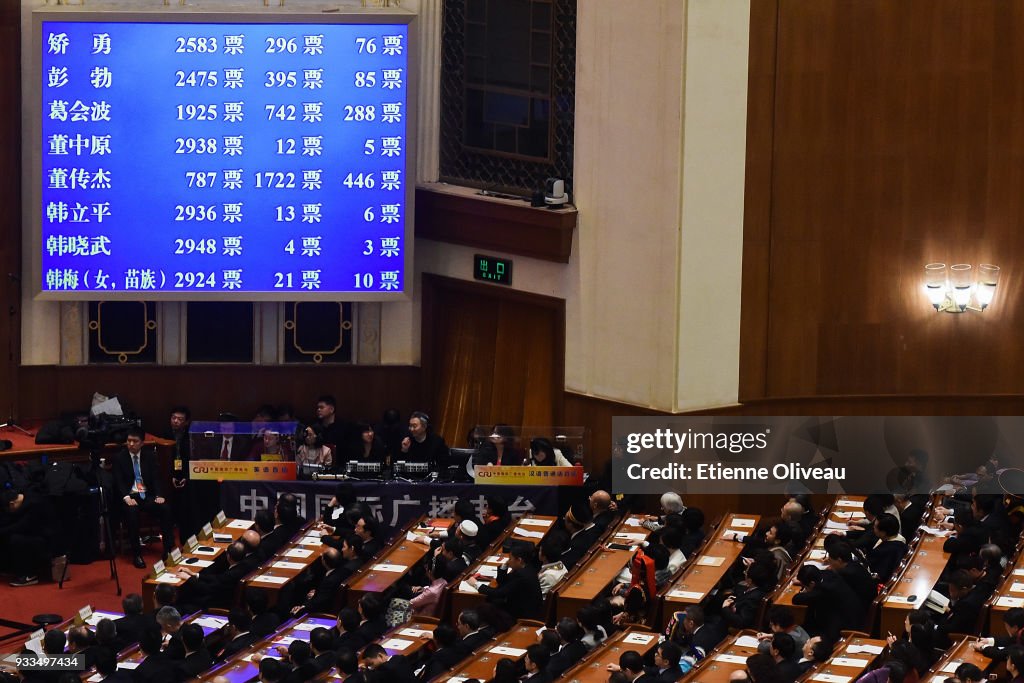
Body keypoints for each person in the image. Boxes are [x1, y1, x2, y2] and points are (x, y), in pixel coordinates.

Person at [113, 427, 176, 568]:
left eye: (135, 441)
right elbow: (118, 481)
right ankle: (137, 554)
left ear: (142, 443)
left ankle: (167, 549)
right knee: (132, 512)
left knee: (165, 508)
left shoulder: (150, 456)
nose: (131, 444)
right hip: (130, 496)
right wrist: (126, 497)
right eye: (128, 441)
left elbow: (155, 479)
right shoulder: (119, 458)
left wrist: (159, 495)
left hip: (147, 495)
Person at [466, 544, 543, 620]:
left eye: (510, 558)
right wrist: (504, 566)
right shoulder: (529, 568)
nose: (508, 561)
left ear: (519, 560)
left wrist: (476, 584)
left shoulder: (521, 575)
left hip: (522, 614)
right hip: (525, 607)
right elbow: (502, 582)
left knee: (485, 606)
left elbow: (499, 593)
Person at [0, 487, 57, 586]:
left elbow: (22, 526)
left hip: (48, 541)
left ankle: (29, 575)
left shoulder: (36, 504)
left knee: (16, 539)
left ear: (11, 504)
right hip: (35, 534)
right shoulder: (26, 497)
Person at [167, 405, 199, 543]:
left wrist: (186, 476)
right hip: (169, 475)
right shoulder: (165, 435)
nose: (175, 421)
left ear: (186, 422)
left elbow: (194, 459)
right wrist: (171, 475)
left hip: (187, 476)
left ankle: (186, 538)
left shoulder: (191, 437)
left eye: (180, 419)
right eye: (173, 418)